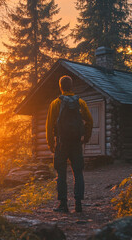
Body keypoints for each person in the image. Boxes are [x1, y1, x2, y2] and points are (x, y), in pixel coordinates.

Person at [46, 75, 93, 213]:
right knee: (78, 173)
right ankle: (78, 204)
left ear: (60, 87)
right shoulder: (81, 103)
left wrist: (51, 144)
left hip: (61, 143)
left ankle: (63, 204)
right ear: (72, 86)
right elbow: (89, 121)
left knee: (61, 174)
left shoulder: (55, 103)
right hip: (76, 143)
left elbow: (49, 126)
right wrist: (86, 137)